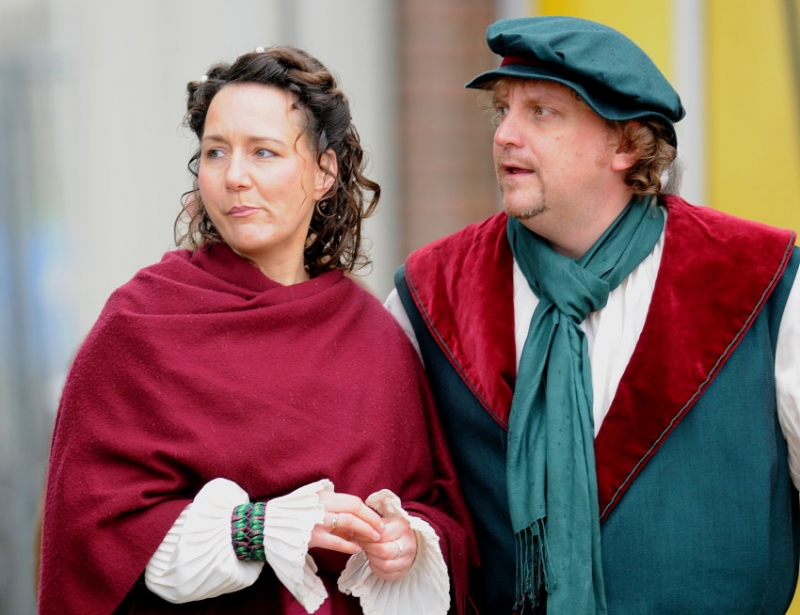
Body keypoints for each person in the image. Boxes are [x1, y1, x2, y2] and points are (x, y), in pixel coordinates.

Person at [38, 46, 476, 615]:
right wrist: (259, 529)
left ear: (324, 172)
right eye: (215, 152)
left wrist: (405, 542)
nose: (235, 177)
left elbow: (436, 509)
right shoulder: (139, 325)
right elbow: (95, 534)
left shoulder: (376, 337)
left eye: (263, 152)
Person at [387, 15, 800, 614]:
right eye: (502, 110)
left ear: (626, 144)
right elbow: (398, 505)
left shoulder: (763, 279)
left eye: (542, 113)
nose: (505, 135)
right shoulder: (430, 292)